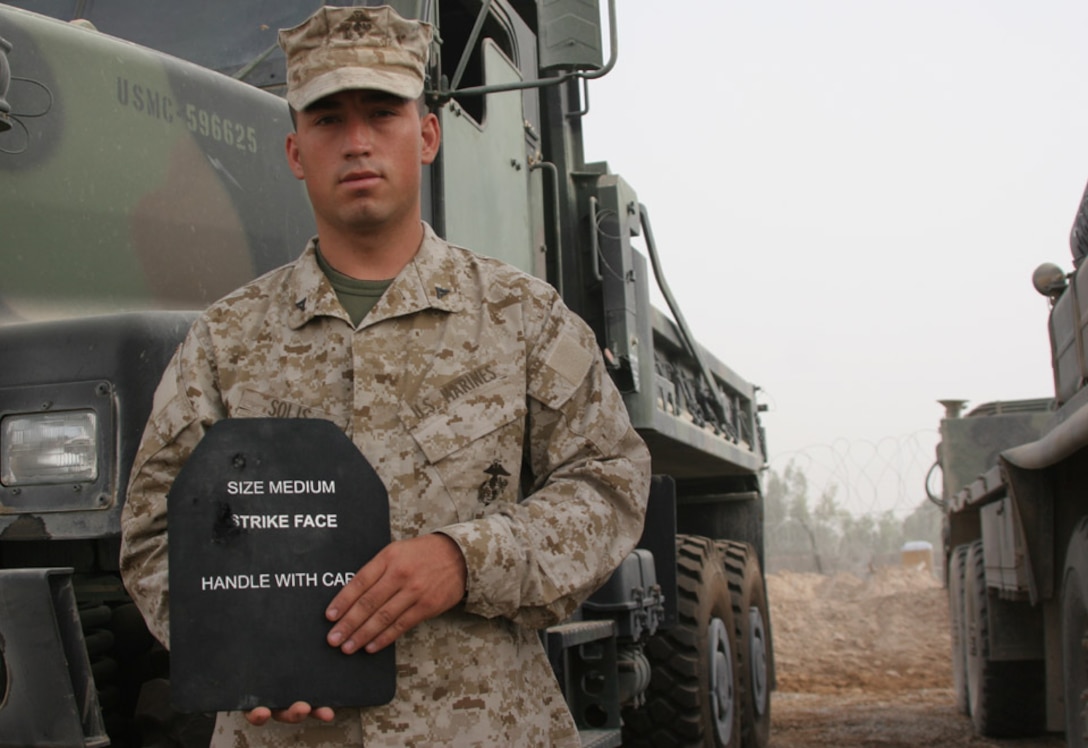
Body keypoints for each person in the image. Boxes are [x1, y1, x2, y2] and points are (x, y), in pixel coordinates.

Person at [119, 4, 651, 746]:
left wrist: (464, 560)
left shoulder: (521, 315)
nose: (358, 141)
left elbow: (609, 484)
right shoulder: (224, 341)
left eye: (382, 112)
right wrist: (242, 649)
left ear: (426, 134)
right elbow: (153, 531)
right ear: (295, 151)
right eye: (328, 119)